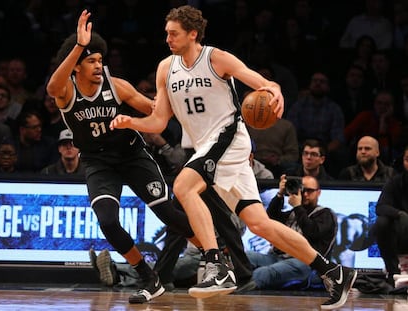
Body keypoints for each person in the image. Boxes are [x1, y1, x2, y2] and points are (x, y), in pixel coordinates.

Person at [110, 5, 357, 309]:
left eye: (173, 33)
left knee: (184, 187)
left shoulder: (216, 58)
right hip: (207, 147)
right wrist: (130, 122)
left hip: (229, 137)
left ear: (192, 33)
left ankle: (217, 266)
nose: (168, 39)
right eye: (166, 33)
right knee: (259, 224)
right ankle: (331, 270)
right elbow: (159, 121)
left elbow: (259, 81)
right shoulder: (165, 68)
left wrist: (274, 88)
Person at [46, 10, 200, 304]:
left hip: (131, 154)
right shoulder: (67, 91)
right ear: (76, 66)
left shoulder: (116, 85)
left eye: (100, 60)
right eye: (91, 60)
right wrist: (80, 46)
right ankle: (148, 278)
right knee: (107, 220)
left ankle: (214, 255)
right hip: (98, 162)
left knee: (167, 213)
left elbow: (155, 113)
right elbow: (52, 87)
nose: (98, 64)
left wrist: (169, 100)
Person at [247, 175, 337, 289]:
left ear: (318, 193)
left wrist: (298, 207)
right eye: (302, 190)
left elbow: (312, 232)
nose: (305, 194)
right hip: (277, 258)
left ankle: (237, 295)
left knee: (265, 272)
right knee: (246, 256)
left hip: (306, 263)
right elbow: (269, 219)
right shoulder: (293, 213)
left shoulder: (325, 214)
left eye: (309, 191)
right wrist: (280, 194)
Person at [370, 145, 408, 287]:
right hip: (401, 235)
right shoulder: (395, 182)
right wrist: (400, 214)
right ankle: (393, 272)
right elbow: (380, 207)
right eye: (407, 159)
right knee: (382, 222)